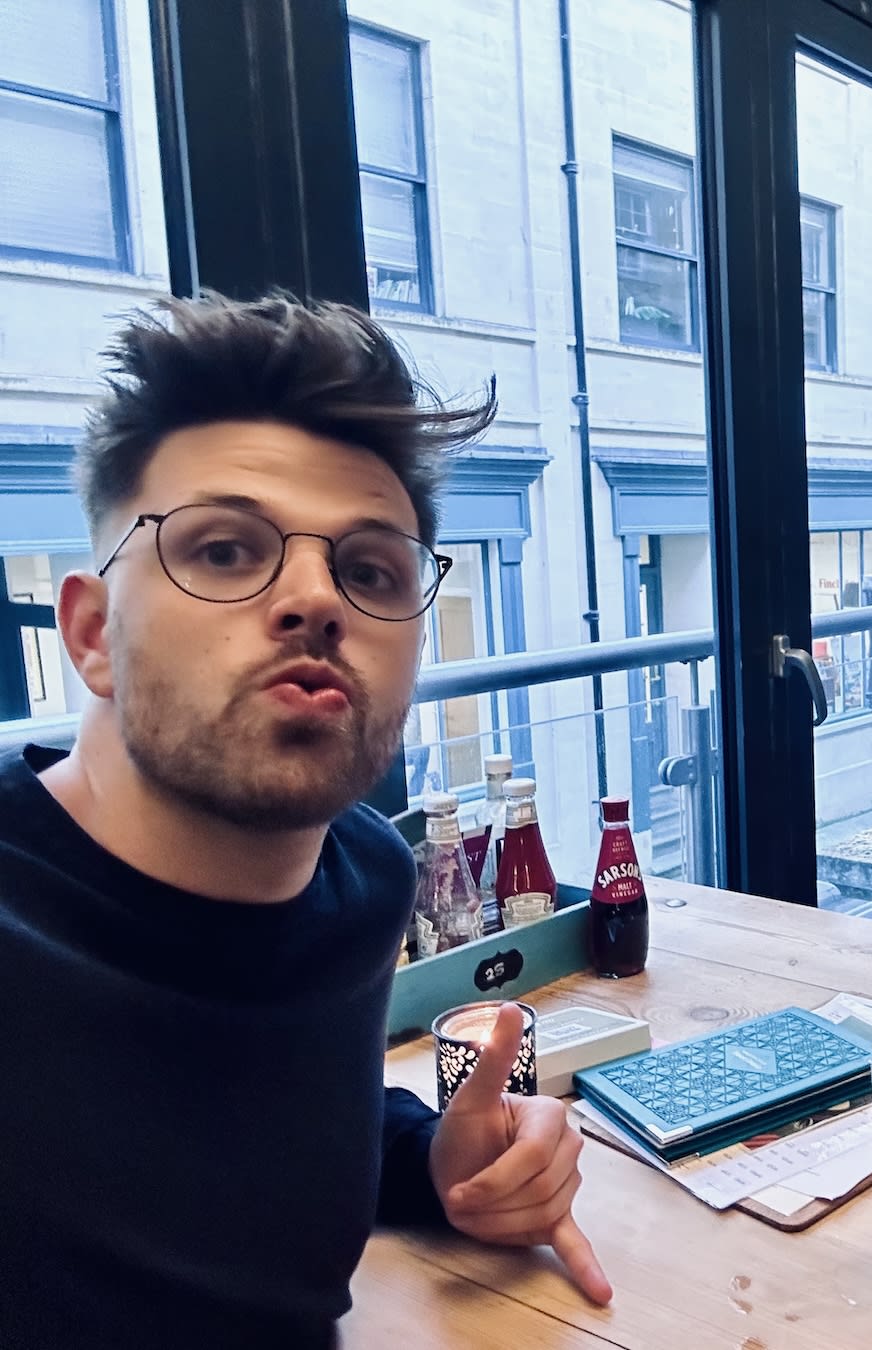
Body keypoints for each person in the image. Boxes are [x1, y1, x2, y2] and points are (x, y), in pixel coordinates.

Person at [0, 294, 611, 1349]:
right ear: (92, 635)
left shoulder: (364, 878)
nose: (316, 599)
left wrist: (435, 1161)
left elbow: (248, 1117)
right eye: (227, 551)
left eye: (370, 570)